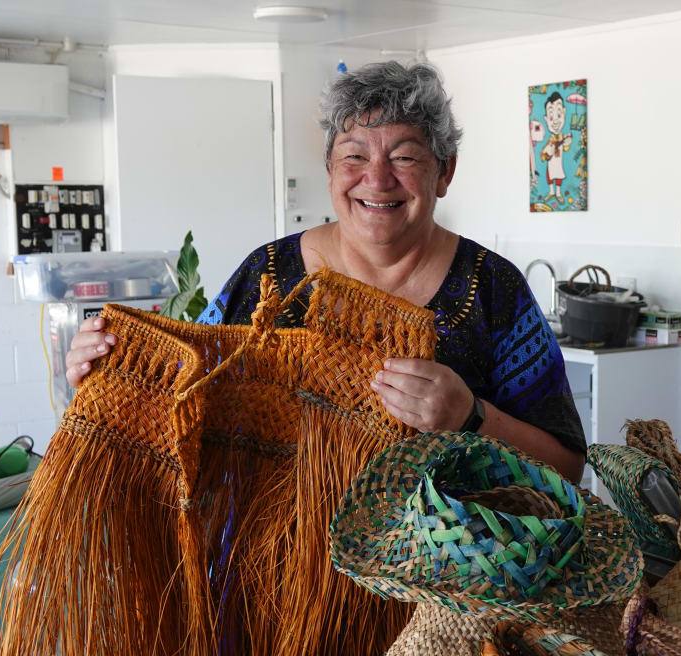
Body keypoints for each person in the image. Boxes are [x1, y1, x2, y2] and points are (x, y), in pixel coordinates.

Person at [64, 61, 585, 481]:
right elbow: (184, 406)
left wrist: (471, 417)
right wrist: (105, 374)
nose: (377, 179)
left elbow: (566, 465)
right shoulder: (266, 278)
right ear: (330, 169)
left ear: (444, 172)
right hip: (270, 581)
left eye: (405, 158)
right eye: (354, 155)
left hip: (440, 595)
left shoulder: (492, 287)